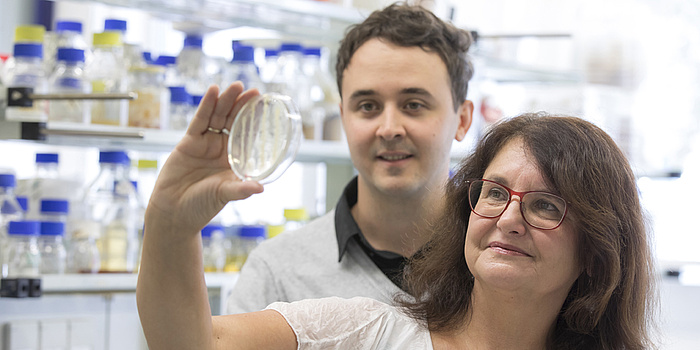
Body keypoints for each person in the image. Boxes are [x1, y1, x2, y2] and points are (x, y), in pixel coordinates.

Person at [136, 83, 657, 348]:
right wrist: (170, 223)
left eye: (546, 205)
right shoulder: (366, 331)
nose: (509, 217)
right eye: (494, 193)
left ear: (597, 252)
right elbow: (199, 343)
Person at [226, 3, 475, 313]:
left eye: (413, 105)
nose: (388, 129)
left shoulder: (498, 259)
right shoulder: (277, 274)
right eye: (368, 106)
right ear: (344, 117)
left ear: (462, 120)